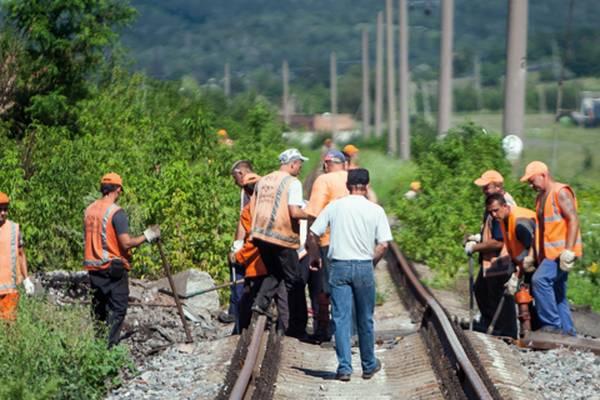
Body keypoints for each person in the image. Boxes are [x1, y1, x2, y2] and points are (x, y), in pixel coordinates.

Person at [308, 168, 392, 382]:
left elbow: (313, 233)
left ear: (348, 186)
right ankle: (368, 365)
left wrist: (315, 256)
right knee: (365, 318)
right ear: (367, 185)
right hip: (363, 266)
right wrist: (370, 262)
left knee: (341, 318)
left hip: (339, 266)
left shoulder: (335, 206)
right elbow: (383, 245)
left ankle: (344, 368)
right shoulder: (376, 210)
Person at [83, 173, 160, 347]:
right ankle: (109, 349)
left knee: (98, 311)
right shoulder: (116, 212)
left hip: (94, 269)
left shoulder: (89, 210)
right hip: (113, 267)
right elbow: (126, 243)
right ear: (117, 190)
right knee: (118, 309)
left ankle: (98, 345)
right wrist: (148, 235)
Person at [521, 161, 582, 335]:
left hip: (561, 254)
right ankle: (568, 332)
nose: (531, 185)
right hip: (548, 254)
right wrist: (531, 256)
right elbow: (539, 231)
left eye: (532, 180)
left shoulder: (560, 192)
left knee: (539, 280)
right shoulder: (540, 198)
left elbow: (573, 219)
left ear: (544, 175)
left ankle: (552, 326)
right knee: (558, 294)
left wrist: (568, 251)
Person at [250, 149, 309, 326]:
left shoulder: (263, 180)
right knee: (294, 279)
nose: (300, 168)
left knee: (275, 272)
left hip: (260, 235)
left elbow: (253, 206)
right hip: (281, 236)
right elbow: (294, 211)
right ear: (292, 163)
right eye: (299, 164)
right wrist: (312, 214)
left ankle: (260, 303)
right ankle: (296, 324)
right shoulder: (293, 182)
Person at [232, 173, 289, 334]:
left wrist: (239, 257)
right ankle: (284, 332)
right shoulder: (273, 207)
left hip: (258, 266)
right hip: (274, 263)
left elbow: (252, 241)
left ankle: (243, 330)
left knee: (251, 300)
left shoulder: (249, 210)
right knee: (282, 299)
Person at [465, 170, 517, 337]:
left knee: (498, 292)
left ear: (498, 186)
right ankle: (491, 324)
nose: (484, 190)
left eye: (487, 187)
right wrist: (480, 237)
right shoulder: (493, 203)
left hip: (502, 256)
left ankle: (505, 330)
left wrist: (475, 248)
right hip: (494, 257)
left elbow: (499, 240)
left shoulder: (502, 205)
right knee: (482, 289)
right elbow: (492, 232)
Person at [305, 149, 348, 342]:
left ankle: (324, 329)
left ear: (325, 165)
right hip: (352, 241)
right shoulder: (352, 178)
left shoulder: (324, 180)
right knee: (349, 285)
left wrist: (310, 243)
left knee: (325, 288)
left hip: (328, 240)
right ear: (344, 164)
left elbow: (313, 214)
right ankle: (348, 329)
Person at [485, 193, 536, 337]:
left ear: (505, 206)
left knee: (528, 293)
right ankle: (524, 332)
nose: (494, 214)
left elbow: (532, 249)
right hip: (523, 263)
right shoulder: (503, 220)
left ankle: (532, 331)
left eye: (496, 210)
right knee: (521, 292)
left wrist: (517, 275)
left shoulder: (520, 223)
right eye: (491, 212)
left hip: (537, 260)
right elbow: (516, 248)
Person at [221, 160, 255, 326]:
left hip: (254, 242)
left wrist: (237, 246)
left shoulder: (249, 188)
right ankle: (237, 310)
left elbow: (244, 221)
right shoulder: (259, 185)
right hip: (256, 239)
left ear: (241, 173)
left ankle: (237, 311)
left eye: (235, 178)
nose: (235, 183)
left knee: (238, 269)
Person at [0, 192, 34, 321]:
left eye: (5, 209)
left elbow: (21, 254)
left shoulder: (14, 229)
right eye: (0, 209)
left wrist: (26, 279)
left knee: (9, 327)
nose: (3, 213)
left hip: (10, 290)